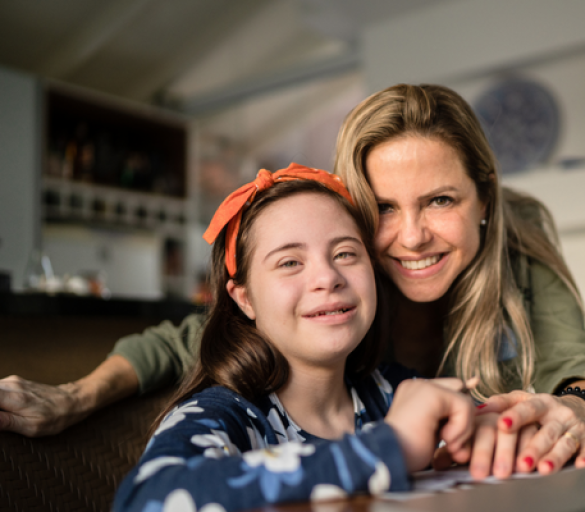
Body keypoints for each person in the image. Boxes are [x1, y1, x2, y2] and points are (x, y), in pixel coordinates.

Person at [0, 84, 585, 478]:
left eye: (440, 200)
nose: (411, 237)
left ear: (483, 198)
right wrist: (76, 398)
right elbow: (185, 341)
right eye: (383, 209)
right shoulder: (317, 314)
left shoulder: (512, 239)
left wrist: (567, 409)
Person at [113, 164, 477, 511]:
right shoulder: (227, 417)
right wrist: (387, 448)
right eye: (290, 262)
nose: (327, 277)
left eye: (345, 253)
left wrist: (507, 426)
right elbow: (144, 500)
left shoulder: (398, 392)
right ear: (245, 299)